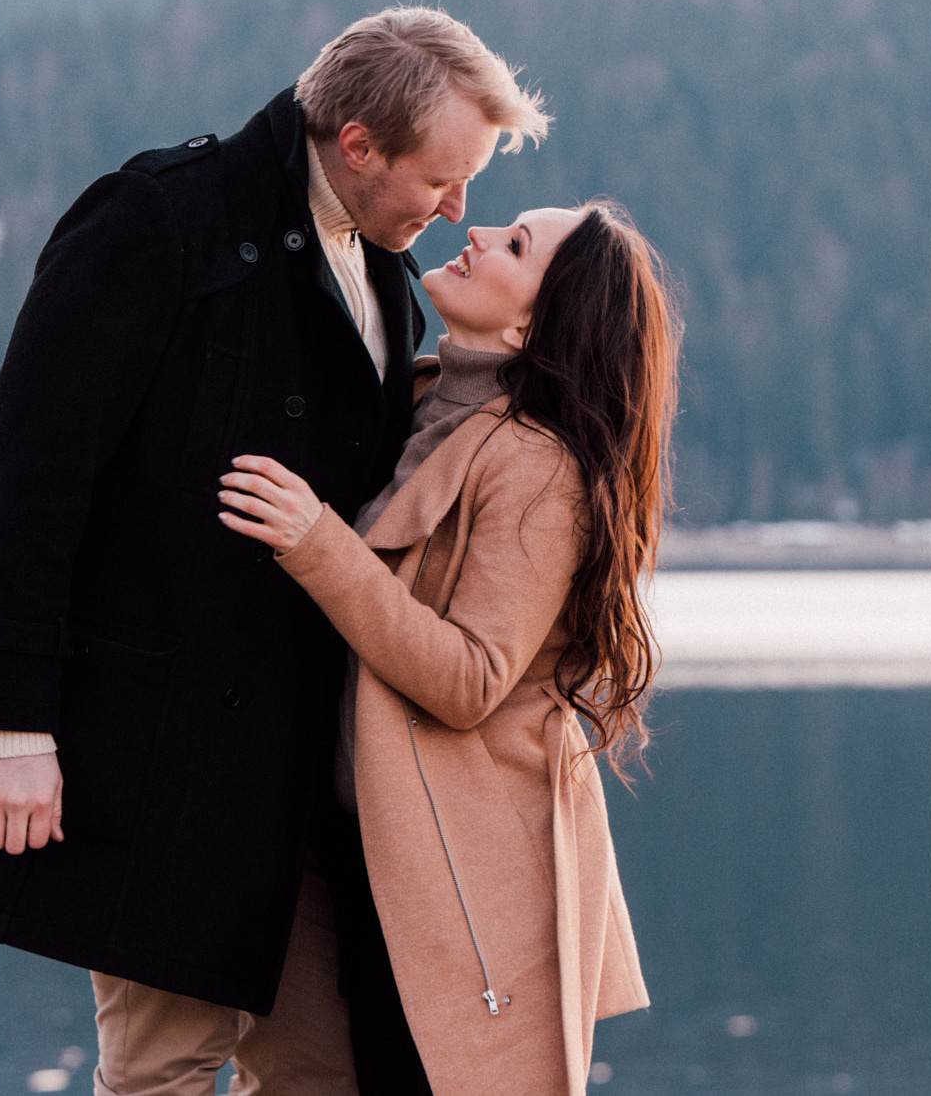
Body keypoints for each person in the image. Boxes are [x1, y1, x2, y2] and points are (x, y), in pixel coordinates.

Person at [0, 6, 550, 1095]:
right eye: (440, 179)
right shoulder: (157, 220)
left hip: (313, 776)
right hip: (164, 754)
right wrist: (9, 718)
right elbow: (32, 474)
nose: (460, 208)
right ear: (356, 143)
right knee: (164, 1070)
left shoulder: (380, 265)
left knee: (327, 1071)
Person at [218, 198, 680, 1095]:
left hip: (458, 880)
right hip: (374, 853)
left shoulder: (537, 465)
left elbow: (471, 678)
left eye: (515, 246)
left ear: (529, 323)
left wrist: (318, 542)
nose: (477, 232)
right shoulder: (430, 399)